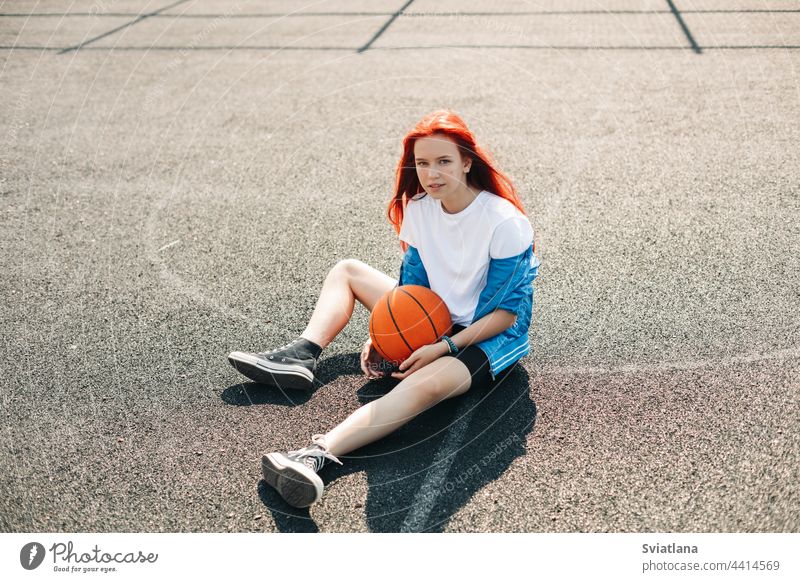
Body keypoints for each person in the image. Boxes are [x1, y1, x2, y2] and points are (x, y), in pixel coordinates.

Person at [228, 110, 541, 509]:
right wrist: (383, 334)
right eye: (423, 163)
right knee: (348, 271)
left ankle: (314, 456)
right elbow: (412, 288)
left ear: (467, 161)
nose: (432, 173)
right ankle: (301, 355)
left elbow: (505, 315)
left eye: (444, 162)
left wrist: (442, 347)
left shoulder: (504, 223)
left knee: (419, 386)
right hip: (436, 313)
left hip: (487, 335)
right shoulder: (420, 207)